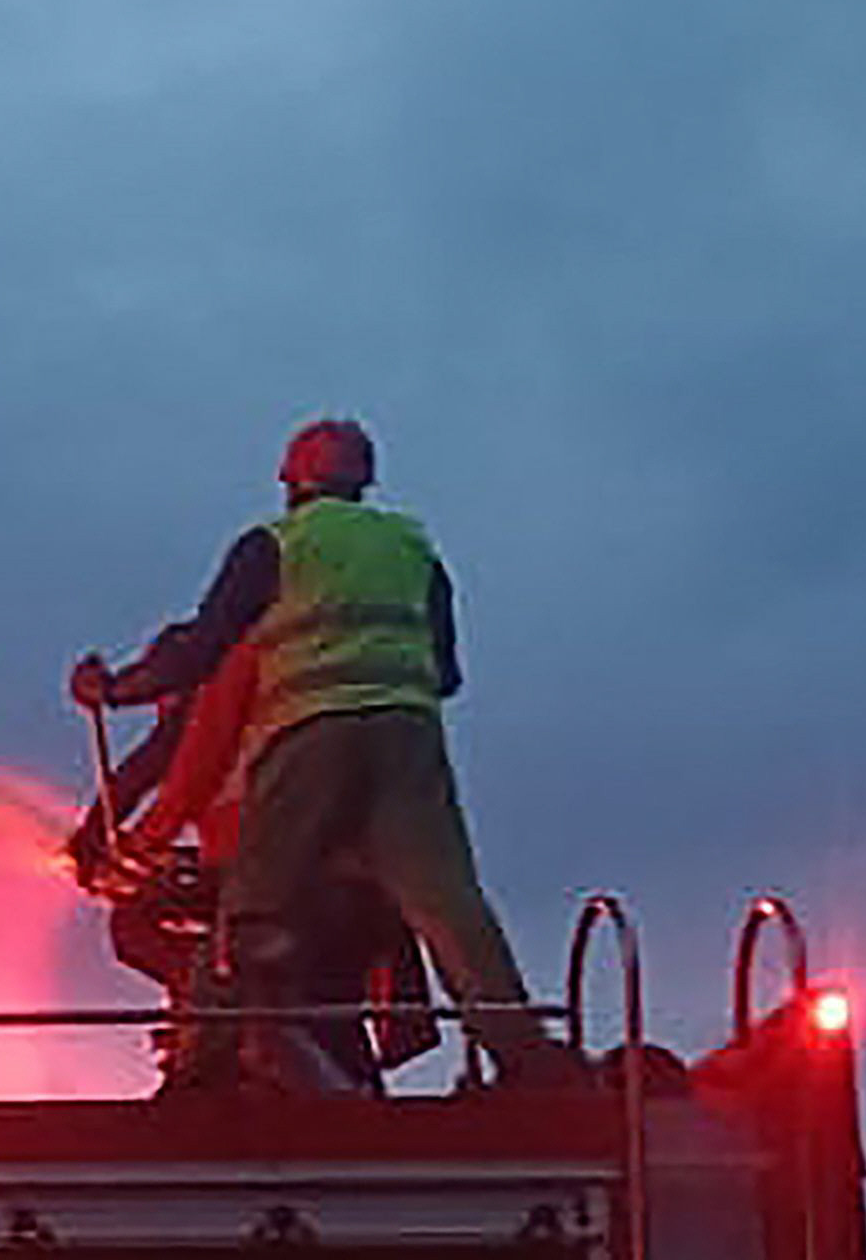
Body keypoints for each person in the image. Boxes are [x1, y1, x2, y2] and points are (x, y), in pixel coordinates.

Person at [71, 418, 581, 1089]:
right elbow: (447, 671)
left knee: (254, 904)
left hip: (310, 733)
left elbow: (200, 652)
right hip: (410, 740)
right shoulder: (412, 548)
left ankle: (204, 1073)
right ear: (365, 480)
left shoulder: (275, 546)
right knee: (448, 904)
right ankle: (529, 1064)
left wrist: (111, 691)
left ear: (290, 482)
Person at [65, 639, 438, 1094]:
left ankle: (212, 1039)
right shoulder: (299, 708)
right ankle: (357, 1108)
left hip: (281, 887)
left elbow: (160, 776)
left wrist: (105, 847)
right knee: (330, 1002)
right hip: (352, 890)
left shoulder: (215, 691)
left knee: (137, 926)